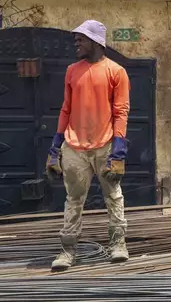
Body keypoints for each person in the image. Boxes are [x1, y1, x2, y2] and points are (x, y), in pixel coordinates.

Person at [46, 20, 130, 271]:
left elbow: (121, 112)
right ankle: (67, 250)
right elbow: (66, 109)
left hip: (105, 145)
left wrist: (119, 150)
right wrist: (55, 147)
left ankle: (118, 244)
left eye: (80, 39)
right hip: (74, 146)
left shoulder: (116, 71)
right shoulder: (72, 70)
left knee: (113, 196)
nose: (76, 43)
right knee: (73, 199)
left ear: (95, 41)